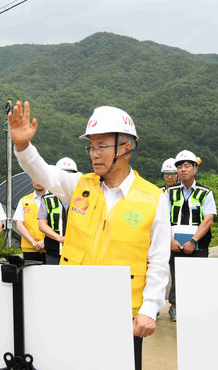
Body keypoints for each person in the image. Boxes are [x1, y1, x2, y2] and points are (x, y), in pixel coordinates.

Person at [9, 102, 170, 370]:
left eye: (101, 146)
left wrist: (149, 309)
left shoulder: (154, 198)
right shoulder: (78, 185)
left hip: (124, 312)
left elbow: (159, 260)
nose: (94, 154)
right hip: (75, 304)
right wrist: (23, 146)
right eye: (91, 147)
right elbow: (43, 173)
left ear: (126, 148)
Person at [165, 149, 216, 323]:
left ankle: (197, 307)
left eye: (187, 166)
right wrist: (170, 240)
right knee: (175, 275)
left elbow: (208, 219)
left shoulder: (205, 193)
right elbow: (163, 218)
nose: (183, 169)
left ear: (195, 168)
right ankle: (175, 306)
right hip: (175, 244)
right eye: (180, 166)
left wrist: (193, 241)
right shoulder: (170, 193)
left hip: (198, 244)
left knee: (197, 277)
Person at [37, 157, 77, 265]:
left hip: (76, 252)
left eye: (70, 174)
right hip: (53, 252)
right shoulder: (47, 199)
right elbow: (42, 225)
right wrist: (59, 238)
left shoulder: (83, 198)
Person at [13, 182, 46, 263]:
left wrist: (45, 242)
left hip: (50, 248)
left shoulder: (55, 199)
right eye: (35, 178)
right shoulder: (24, 200)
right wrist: (33, 242)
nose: (37, 181)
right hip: (29, 248)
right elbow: (19, 225)